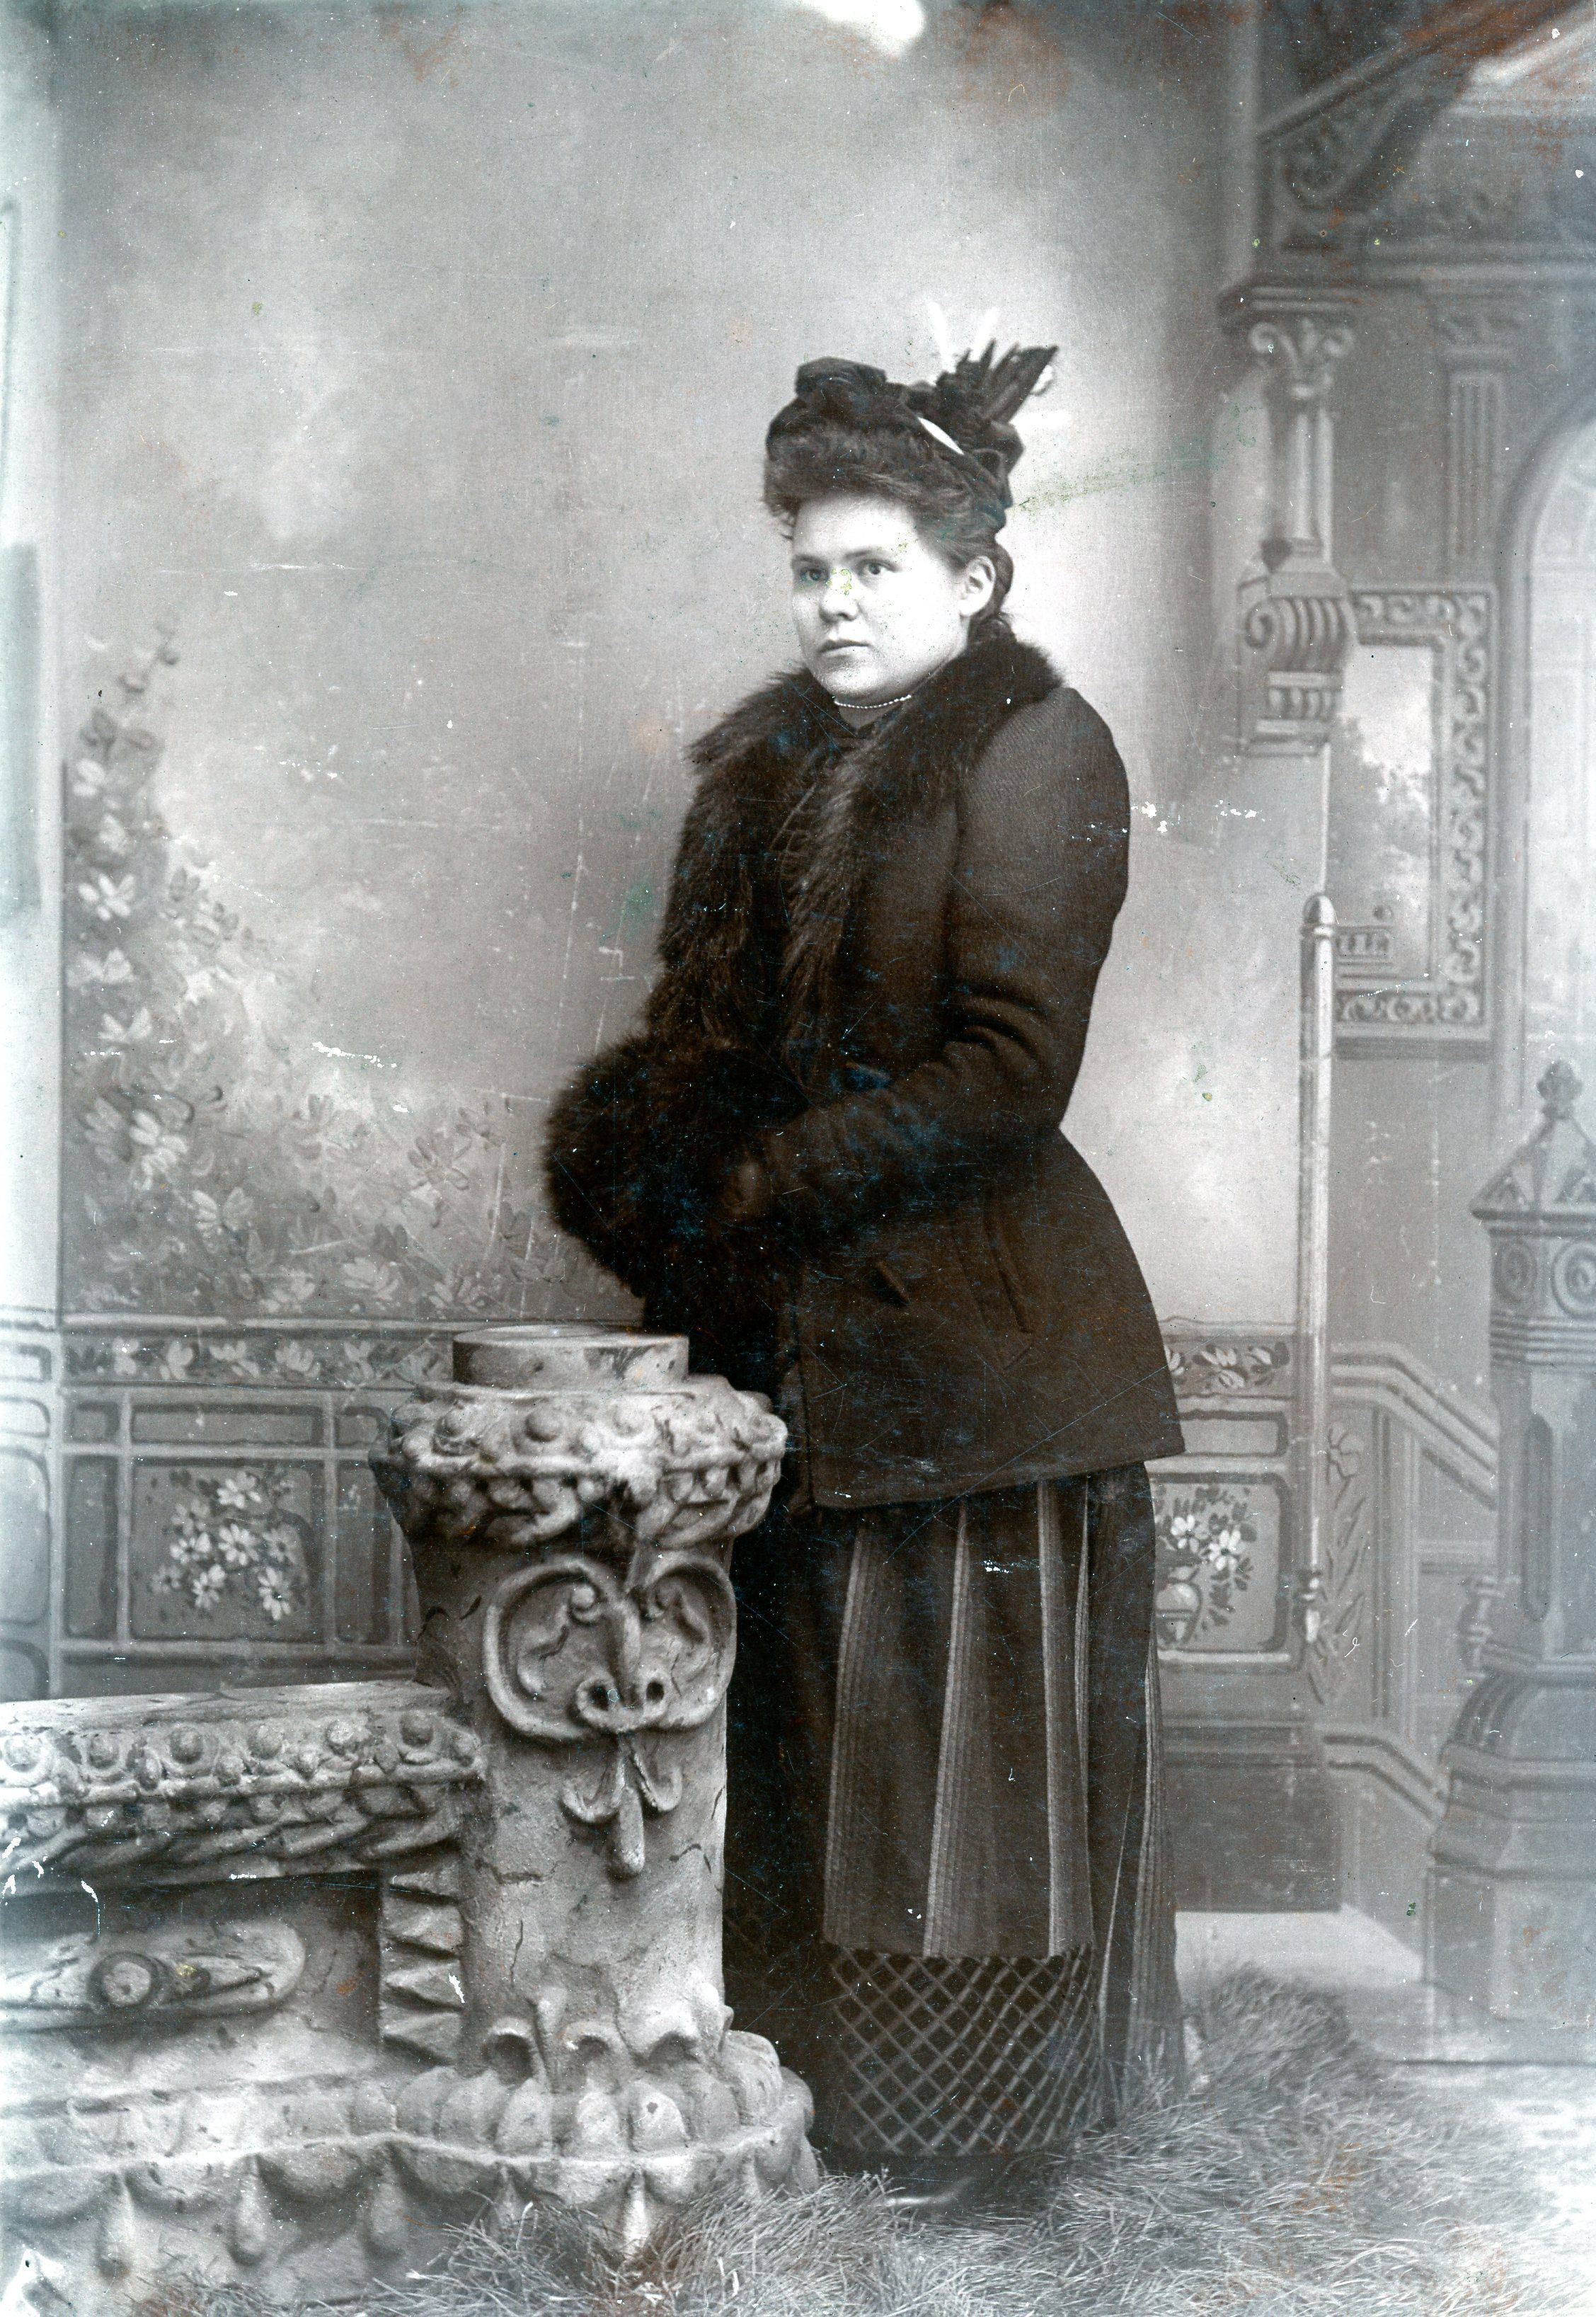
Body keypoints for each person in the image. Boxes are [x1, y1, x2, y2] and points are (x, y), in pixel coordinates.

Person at [544, 345, 1185, 2209]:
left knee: (950, 1769)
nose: (832, 602)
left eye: (874, 568)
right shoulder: (765, 774)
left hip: (980, 1339)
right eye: (810, 570)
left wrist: (775, 1182)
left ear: (975, 575)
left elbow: (1010, 1070)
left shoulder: (1039, 751)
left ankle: (977, 2142)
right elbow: (701, 1043)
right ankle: (805, 2105)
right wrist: (660, 1175)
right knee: (801, 1735)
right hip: (792, 1334)